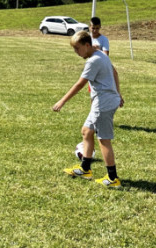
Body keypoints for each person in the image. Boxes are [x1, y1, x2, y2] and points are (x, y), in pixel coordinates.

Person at [52, 30, 124, 187]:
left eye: (77, 48)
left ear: (86, 45)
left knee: (103, 140)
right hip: (106, 100)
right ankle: (85, 169)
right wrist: (118, 94)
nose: (76, 52)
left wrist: (62, 101)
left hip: (103, 104)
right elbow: (115, 73)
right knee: (86, 131)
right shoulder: (100, 54)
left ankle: (113, 178)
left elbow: (80, 84)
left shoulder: (93, 61)